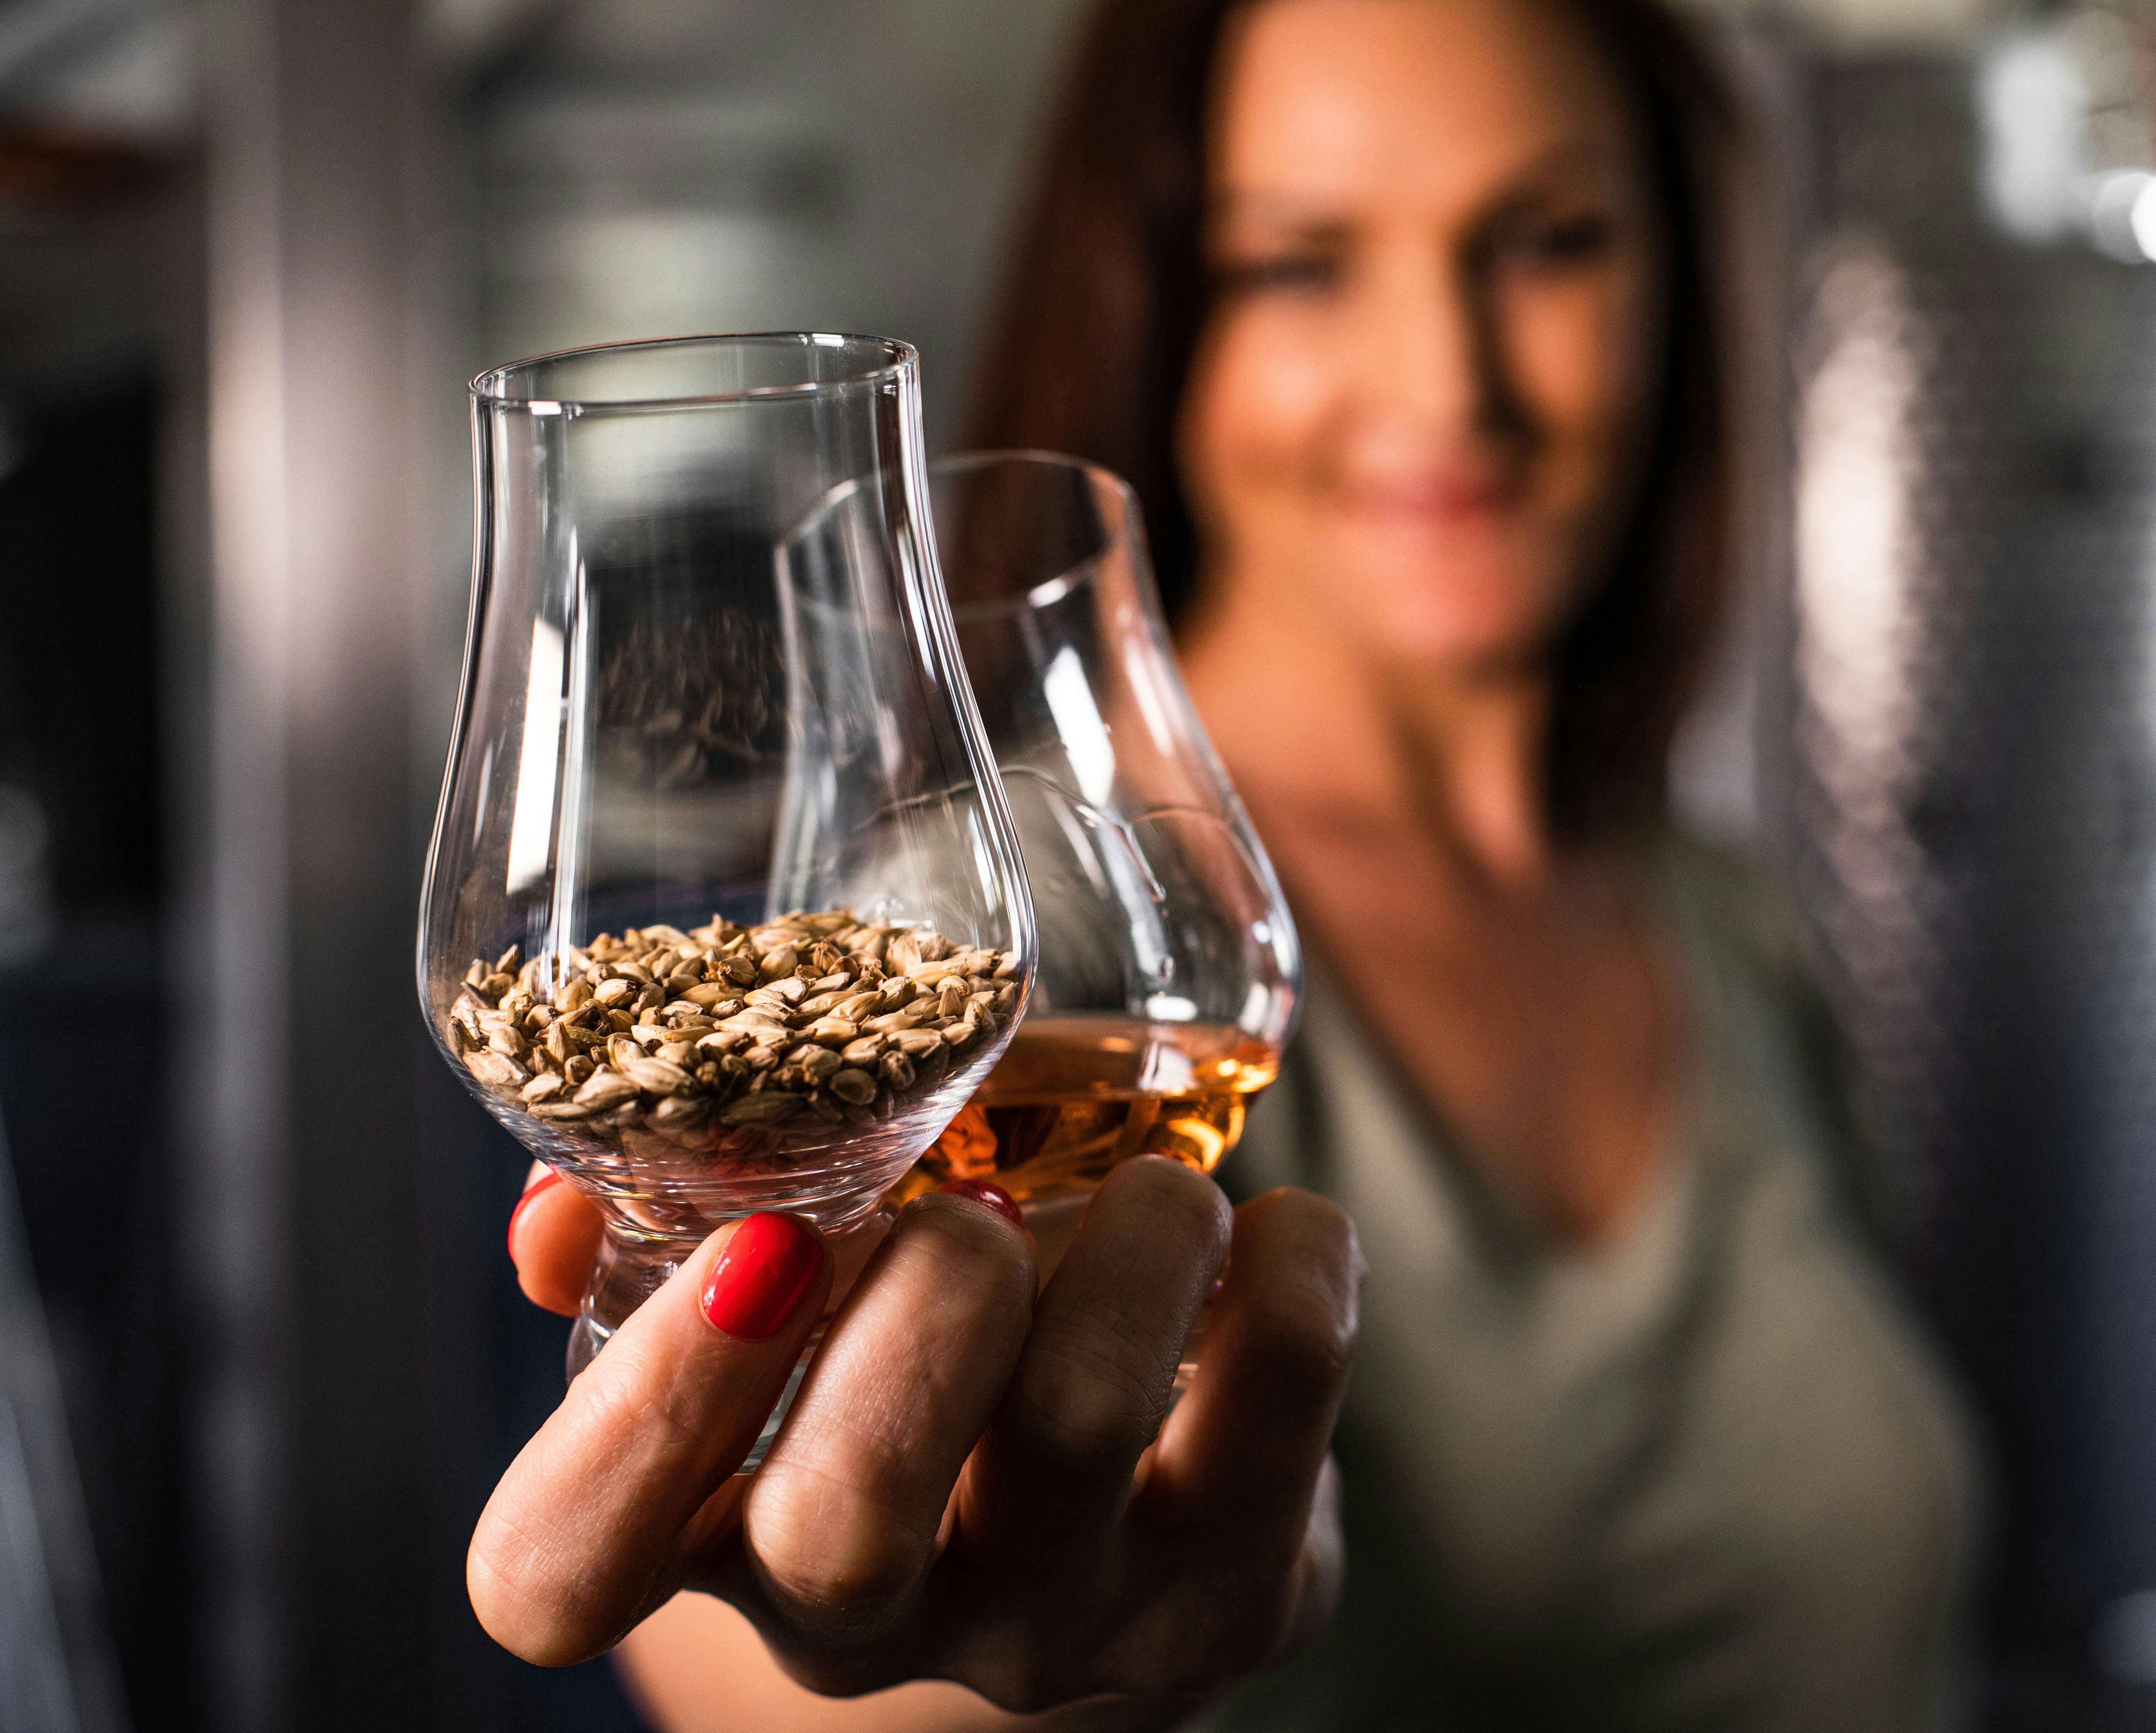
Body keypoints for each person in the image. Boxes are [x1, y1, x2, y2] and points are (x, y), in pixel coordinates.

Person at [473, 0, 1978, 1726]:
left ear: (1681, 287)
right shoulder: (1009, 936)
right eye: (1301, 265)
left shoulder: (1720, 922)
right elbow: (798, 1617)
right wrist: (940, 1650)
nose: (1449, 381)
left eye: (1549, 240)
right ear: (1160, 317)